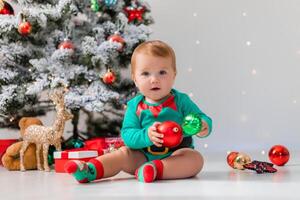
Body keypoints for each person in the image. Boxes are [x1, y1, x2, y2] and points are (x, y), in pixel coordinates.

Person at [65, 40, 212, 183]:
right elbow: (128, 135)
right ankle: (89, 170)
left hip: (176, 154)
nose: (154, 79)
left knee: (195, 160)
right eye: (146, 74)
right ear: (135, 79)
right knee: (122, 154)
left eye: (162, 72)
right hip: (141, 156)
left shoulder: (181, 101)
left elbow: (200, 117)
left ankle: (155, 169)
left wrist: (203, 126)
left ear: (174, 74)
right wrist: (146, 135)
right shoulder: (135, 106)